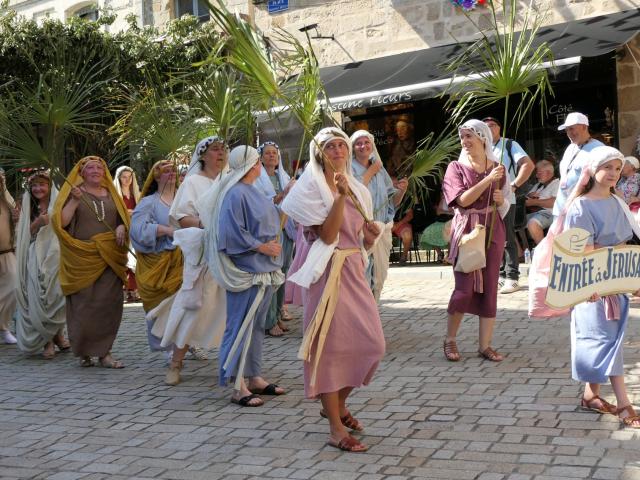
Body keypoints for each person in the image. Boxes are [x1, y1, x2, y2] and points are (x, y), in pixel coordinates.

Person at [282, 127, 386, 453]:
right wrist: (339, 196)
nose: (339, 149)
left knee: (373, 344)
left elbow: (359, 239)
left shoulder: (358, 187)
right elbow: (327, 236)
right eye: (331, 145)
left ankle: (336, 404)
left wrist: (370, 236)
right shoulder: (308, 189)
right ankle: (335, 428)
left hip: (354, 269)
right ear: (320, 153)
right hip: (327, 274)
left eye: (342, 144)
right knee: (329, 350)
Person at [563, 145, 640, 429]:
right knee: (604, 340)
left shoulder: (618, 201)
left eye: (617, 168)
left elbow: (624, 246)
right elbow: (580, 249)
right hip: (591, 283)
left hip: (616, 280)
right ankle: (623, 402)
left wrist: (633, 281)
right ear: (593, 169)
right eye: (607, 167)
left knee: (607, 338)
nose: (613, 173)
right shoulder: (581, 206)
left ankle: (590, 396)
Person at [205, 145, 286, 407]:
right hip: (248, 269)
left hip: (265, 268)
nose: (261, 164)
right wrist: (262, 246)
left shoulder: (252, 191)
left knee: (256, 326)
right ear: (253, 165)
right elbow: (231, 233)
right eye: (258, 161)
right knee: (240, 325)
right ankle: (237, 385)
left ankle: (253, 376)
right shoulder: (235, 193)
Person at [150, 136, 228, 379]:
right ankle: (176, 363)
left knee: (229, 308)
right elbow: (183, 219)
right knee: (193, 304)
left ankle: (235, 363)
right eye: (215, 149)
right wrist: (211, 223)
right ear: (202, 155)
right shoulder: (193, 182)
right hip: (203, 253)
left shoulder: (230, 180)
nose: (220, 154)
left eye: (223, 149)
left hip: (229, 252)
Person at [442, 119, 510, 363]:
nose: (465, 141)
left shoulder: (499, 167)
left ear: (484, 138)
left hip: (493, 228)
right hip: (468, 230)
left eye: (470, 136)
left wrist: (501, 200)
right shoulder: (456, 168)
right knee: (464, 288)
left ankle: (485, 345)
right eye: (463, 137)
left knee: (490, 287)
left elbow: (506, 203)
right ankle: (450, 339)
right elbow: (463, 201)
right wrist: (487, 180)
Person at [52, 156, 129, 368]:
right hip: (82, 259)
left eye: (100, 167)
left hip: (110, 258)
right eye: (90, 167)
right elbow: (61, 222)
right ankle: (84, 351)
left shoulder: (112, 194)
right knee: (83, 307)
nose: (96, 170)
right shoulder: (75, 192)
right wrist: (75, 200)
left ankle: (105, 353)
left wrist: (122, 226)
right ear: (81, 173)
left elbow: (122, 217)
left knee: (108, 306)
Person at [129, 160, 183, 367]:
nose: (170, 174)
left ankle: (185, 341)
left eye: (173, 171)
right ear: (156, 177)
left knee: (184, 303)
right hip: (158, 260)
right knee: (161, 306)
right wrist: (165, 230)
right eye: (165, 172)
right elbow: (138, 230)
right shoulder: (148, 202)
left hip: (183, 259)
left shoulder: (183, 198)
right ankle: (167, 348)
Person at [15, 171, 68, 358]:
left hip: (56, 256)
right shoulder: (28, 207)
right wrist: (38, 222)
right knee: (39, 296)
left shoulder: (60, 204)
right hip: (35, 257)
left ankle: (59, 335)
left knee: (56, 296)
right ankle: (47, 342)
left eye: (42, 184)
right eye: (34, 185)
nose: (38, 188)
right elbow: (22, 235)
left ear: (49, 186)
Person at [350, 130, 407, 300]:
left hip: (382, 228)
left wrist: (402, 191)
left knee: (378, 277)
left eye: (366, 142)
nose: (363, 146)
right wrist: (372, 170)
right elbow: (354, 193)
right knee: (362, 276)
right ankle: (361, 318)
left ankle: (371, 315)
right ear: (353, 148)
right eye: (358, 143)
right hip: (361, 230)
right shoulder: (349, 168)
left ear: (372, 144)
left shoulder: (380, 168)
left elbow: (392, 201)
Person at [483, 117, 534, 294]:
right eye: (486, 126)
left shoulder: (509, 144)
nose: (490, 128)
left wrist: (514, 185)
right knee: (491, 238)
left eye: (493, 125)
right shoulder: (482, 146)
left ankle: (512, 276)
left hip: (505, 198)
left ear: (500, 127)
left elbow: (528, 164)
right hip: (486, 199)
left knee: (506, 236)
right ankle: (500, 275)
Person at [253, 141, 296, 336]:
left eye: (274, 154)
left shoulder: (284, 177)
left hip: (285, 231)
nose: (271, 156)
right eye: (267, 153)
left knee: (282, 275)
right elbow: (257, 205)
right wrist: (280, 196)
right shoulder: (256, 180)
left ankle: (278, 314)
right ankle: (268, 321)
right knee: (271, 276)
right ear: (261, 158)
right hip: (268, 232)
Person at [553, 112, 604, 218]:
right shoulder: (570, 148)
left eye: (571, 128)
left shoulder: (599, 149)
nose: (568, 133)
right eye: (567, 130)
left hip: (582, 210)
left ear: (584, 127)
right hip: (561, 208)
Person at [114, 165, 141, 303]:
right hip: (120, 230)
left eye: (129, 177)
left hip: (135, 229)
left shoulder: (136, 193)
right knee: (123, 260)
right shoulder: (114, 194)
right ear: (119, 178)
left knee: (134, 258)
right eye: (124, 177)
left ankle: (135, 291)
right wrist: (127, 214)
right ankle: (125, 292)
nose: (127, 180)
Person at [0, 168, 18, 345]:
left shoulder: (5, 199)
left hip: (7, 252)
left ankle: (3, 328)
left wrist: (3, 186)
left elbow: (15, 211)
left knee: (13, 288)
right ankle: (3, 329)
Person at [525, 156, 559, 245]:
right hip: (534, 212)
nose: (536, 176)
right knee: (511, 222)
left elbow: (554, 202)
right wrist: (530, 196)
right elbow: (527, 196)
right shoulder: (538, 185)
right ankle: (521, 253)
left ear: (548, 173)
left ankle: (543, 251)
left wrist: (534, 202)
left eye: (539, 173)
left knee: (533, 223)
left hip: (550, 213)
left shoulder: (557, 184)